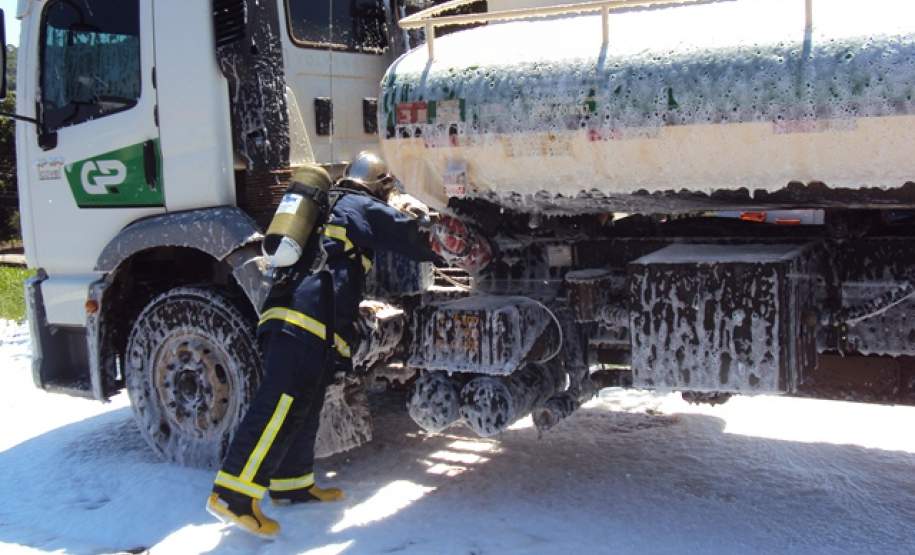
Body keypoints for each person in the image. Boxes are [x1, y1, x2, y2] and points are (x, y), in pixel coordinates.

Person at [206, 153, 450, 538]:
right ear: (380, 187)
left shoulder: (325, 207)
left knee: (305, 400)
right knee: (280, 404)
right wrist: (445, 231)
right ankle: (233, 492)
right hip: (305, 322)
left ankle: (292, 483)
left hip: (294, 320)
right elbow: (418, 241)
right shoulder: (363, 207)